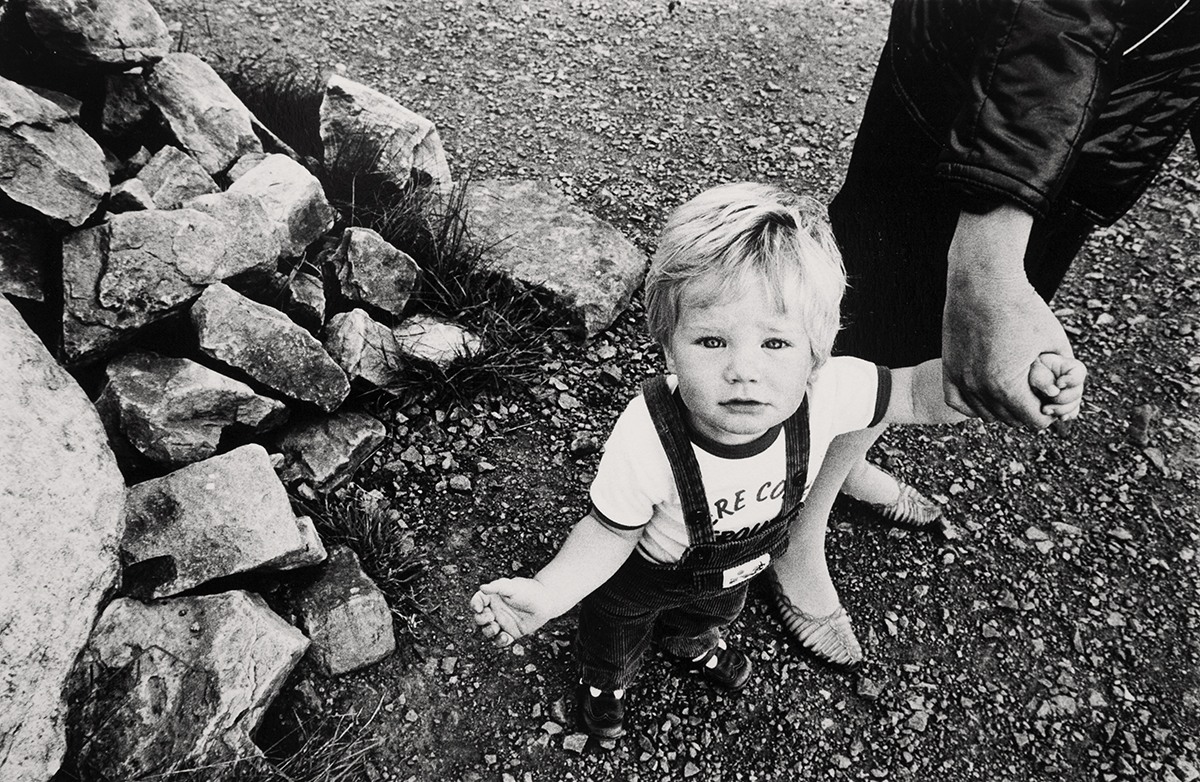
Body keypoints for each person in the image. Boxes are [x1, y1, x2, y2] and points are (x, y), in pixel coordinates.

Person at [470, 182, 1086, 739]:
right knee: (617, 625)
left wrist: (1000, 381)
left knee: (717, 609)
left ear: (818, 352)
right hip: (648, 568)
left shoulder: (829, 392)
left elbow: (925, 392)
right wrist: (549, 593)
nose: (744, 369)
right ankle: (606, 685)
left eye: (776, 343)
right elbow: (609, 533)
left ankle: (693, 645)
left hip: (742, 561)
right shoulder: (648, 436)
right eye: (712, 340)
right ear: (667, 343)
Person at [769, 0, 1200, 669]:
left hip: (1092, 133)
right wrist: (991, 242)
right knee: (878, 318)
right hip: (975, 88)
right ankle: (795, 524)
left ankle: (840, 466)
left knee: (927, 337)